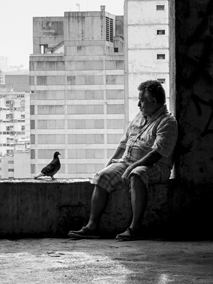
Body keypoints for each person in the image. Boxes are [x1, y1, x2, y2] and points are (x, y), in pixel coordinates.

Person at [67, 80, 177, 241]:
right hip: (128, 161)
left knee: (137, 175)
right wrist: (110, 163)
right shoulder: (140, 116)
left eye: (142, 100)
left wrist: (132, 166)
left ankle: (135, 228)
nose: (139, 104)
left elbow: (158, 152)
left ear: (153, 101)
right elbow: (124, 143)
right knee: (102, 177)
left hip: (155, 166)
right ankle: (92, 227)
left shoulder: (167, 122)